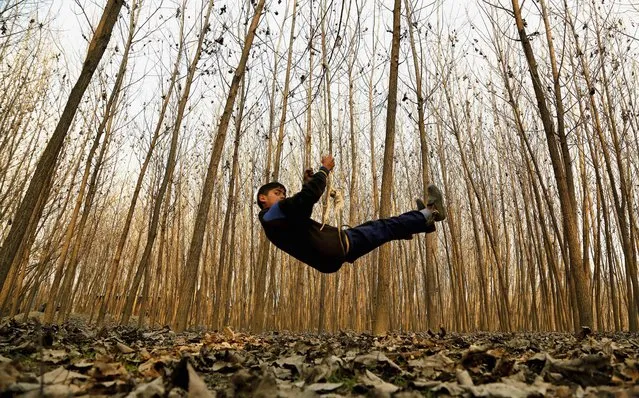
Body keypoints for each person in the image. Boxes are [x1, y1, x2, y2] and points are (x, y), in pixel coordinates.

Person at [256, 155, 446, 273]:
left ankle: (419, 223)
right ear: (263, 199)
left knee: (381, 228)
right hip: (336, 246)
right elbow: (307, 198)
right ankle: (430, 213)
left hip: (331, 256)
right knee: (385, 226)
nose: (282, 197)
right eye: (277, 193)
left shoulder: (275, 223)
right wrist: (324, 170)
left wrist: (307, 184)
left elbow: (301, 209)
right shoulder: (273, 214)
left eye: (284, 194)